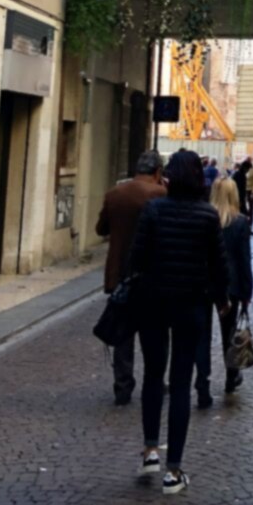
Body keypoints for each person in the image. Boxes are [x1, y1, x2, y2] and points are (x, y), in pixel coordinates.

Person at [129, 149, 229, 495]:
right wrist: (222, 300)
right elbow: (219, 266)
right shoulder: (207, 215)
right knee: (182, 381)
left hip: (154, 303)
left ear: (170, 176)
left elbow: (136, 258)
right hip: (191, 306)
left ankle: (150, 450)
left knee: (154, 375)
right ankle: (174, 472)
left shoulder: (154, 210)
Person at [96, 150, 166, 406]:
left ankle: (122, 385)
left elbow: (101, 229)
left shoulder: (114, 194)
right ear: (158, 172)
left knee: (123, 335)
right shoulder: (160, 194)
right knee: (154, 333)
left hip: (119, 274)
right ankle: (155, 380)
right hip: (150, 275)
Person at [211, 177, 253, 394]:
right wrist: (247, 291)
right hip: (232, 284)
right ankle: (231, 374)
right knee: (228, 331)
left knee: (202, 334)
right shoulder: (239, 223)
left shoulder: (207, 219)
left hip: (206, 282)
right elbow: (244, 260)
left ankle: (202, 379)